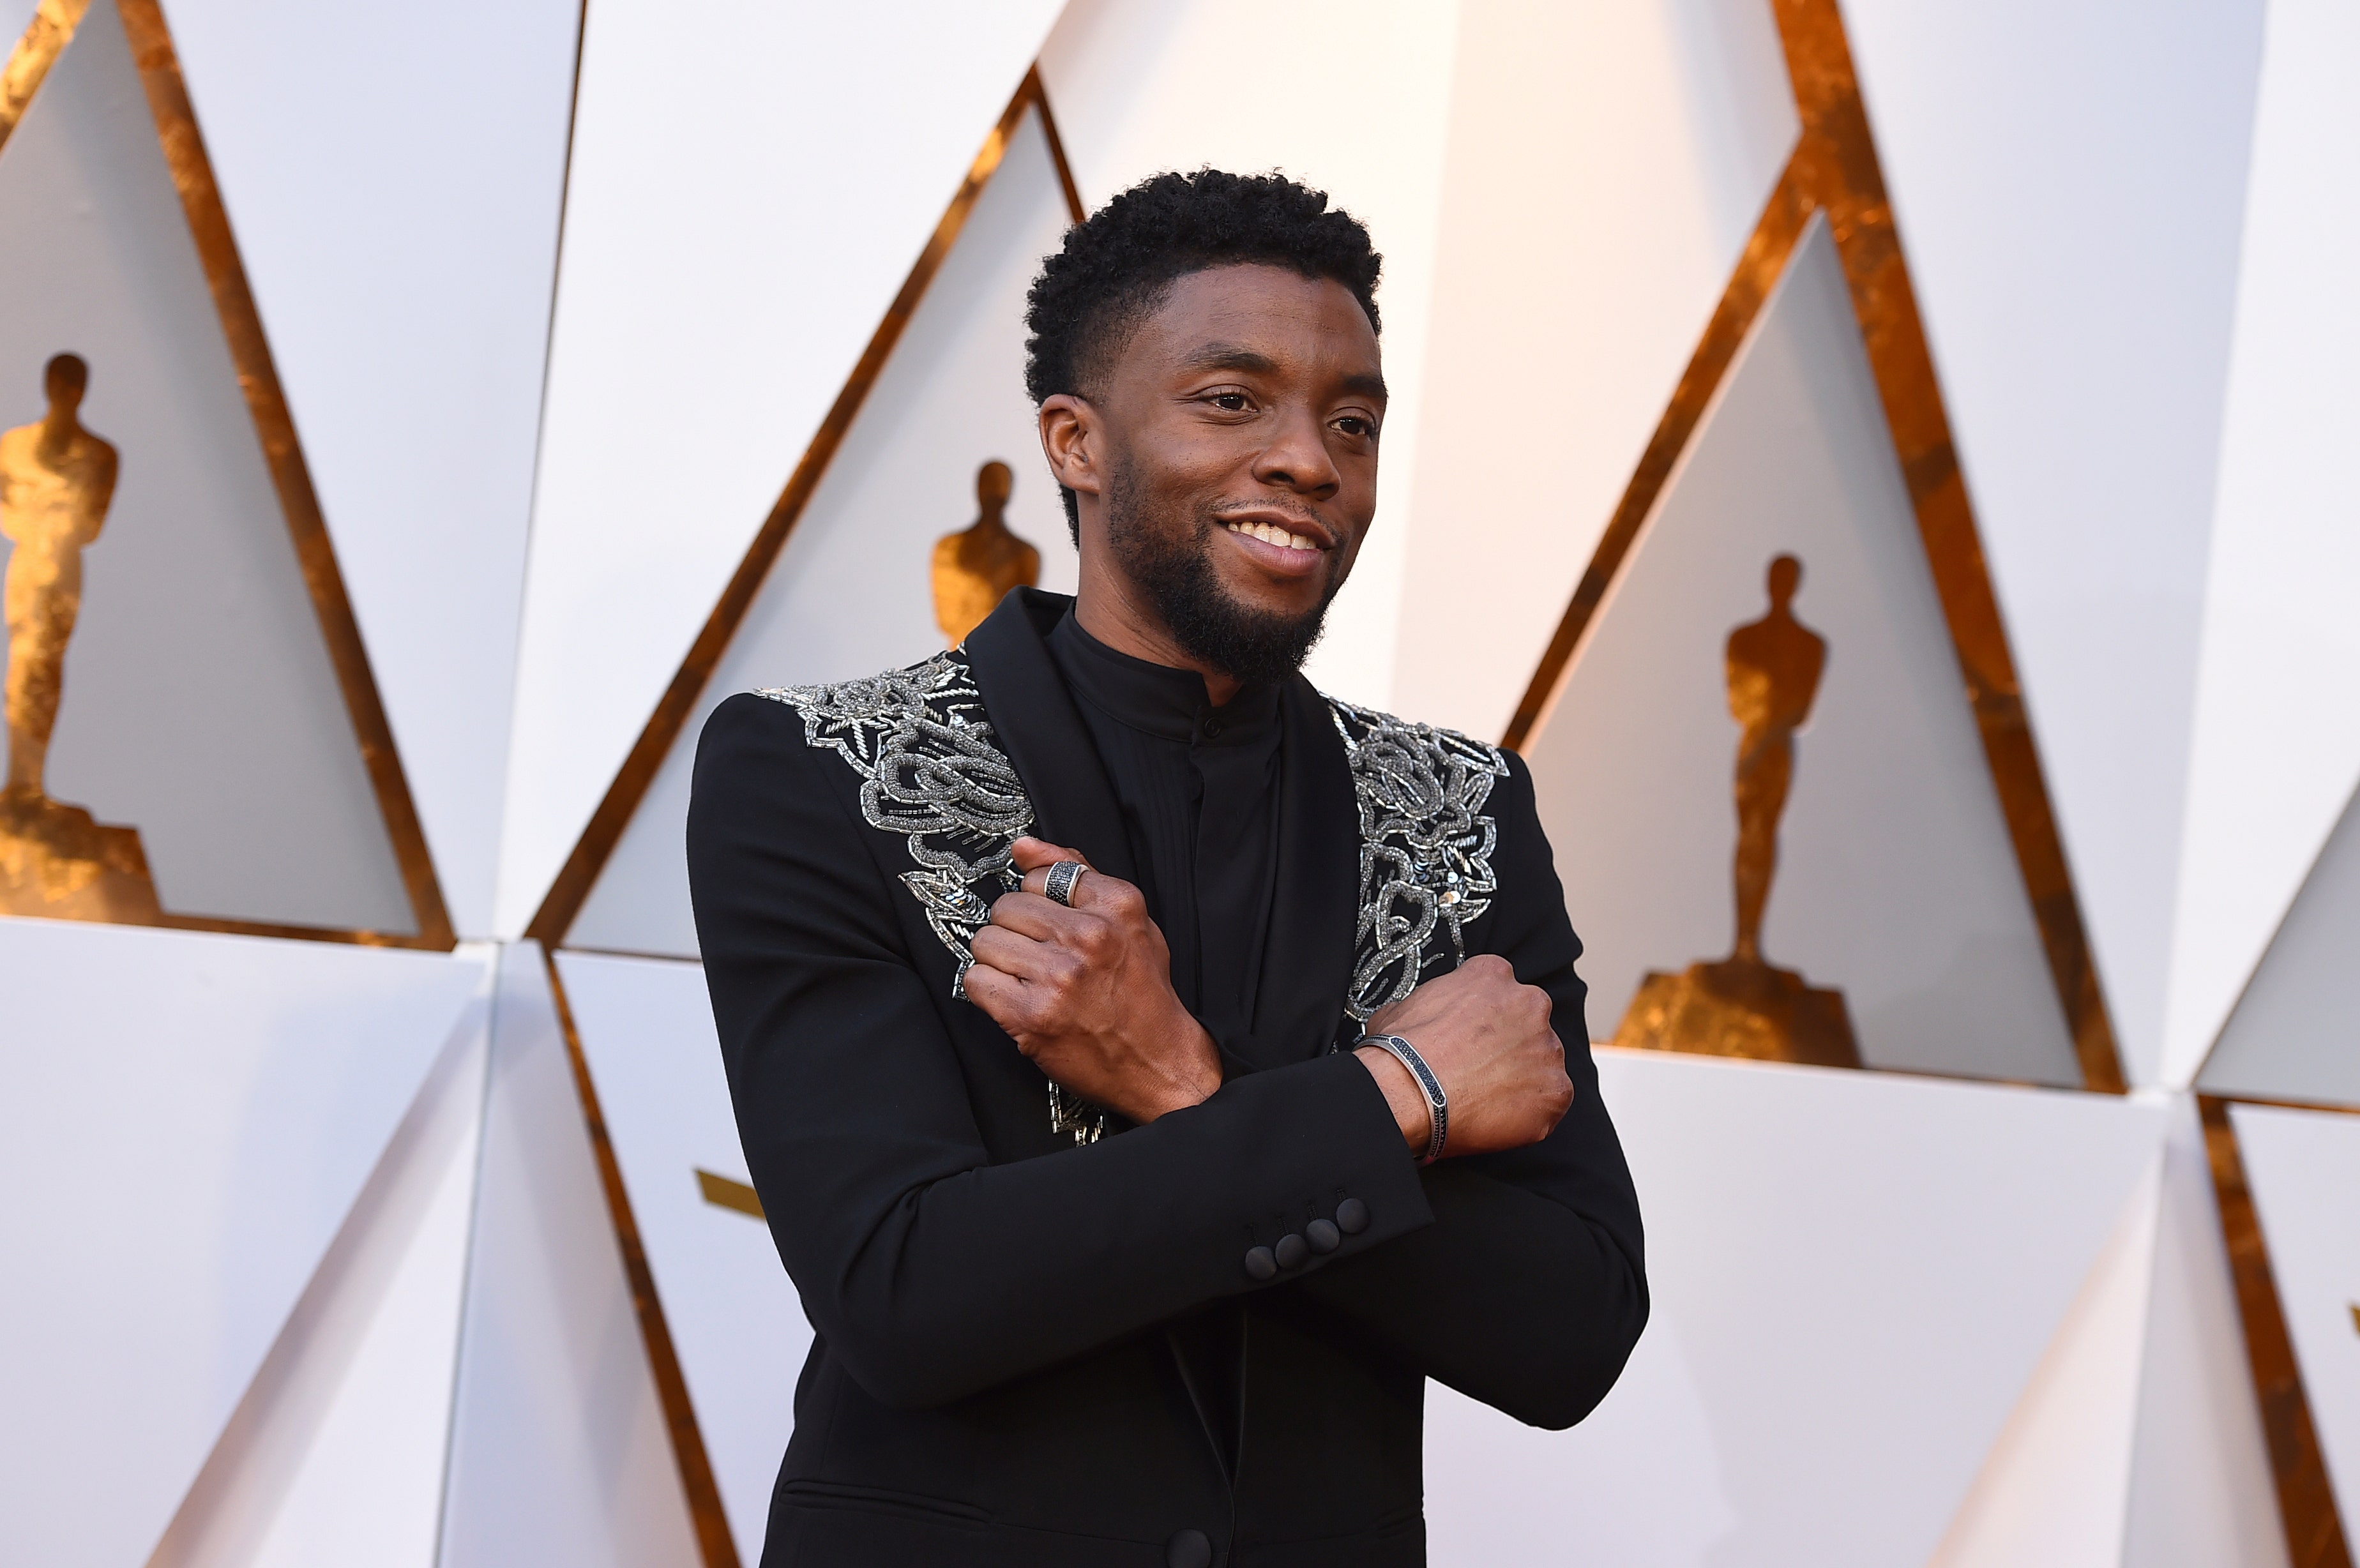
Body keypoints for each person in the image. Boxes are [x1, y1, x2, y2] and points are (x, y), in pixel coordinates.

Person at [690, 170, 1646, 1567]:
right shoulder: (830, 771)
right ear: (1076, 441)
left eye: (1353, 420)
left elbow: (1568, 1332)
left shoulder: (1459, 812)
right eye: (1232, 399)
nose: (1311, 459)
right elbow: (905, 1292)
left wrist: (1181, 1083)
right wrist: (1400, 1096)